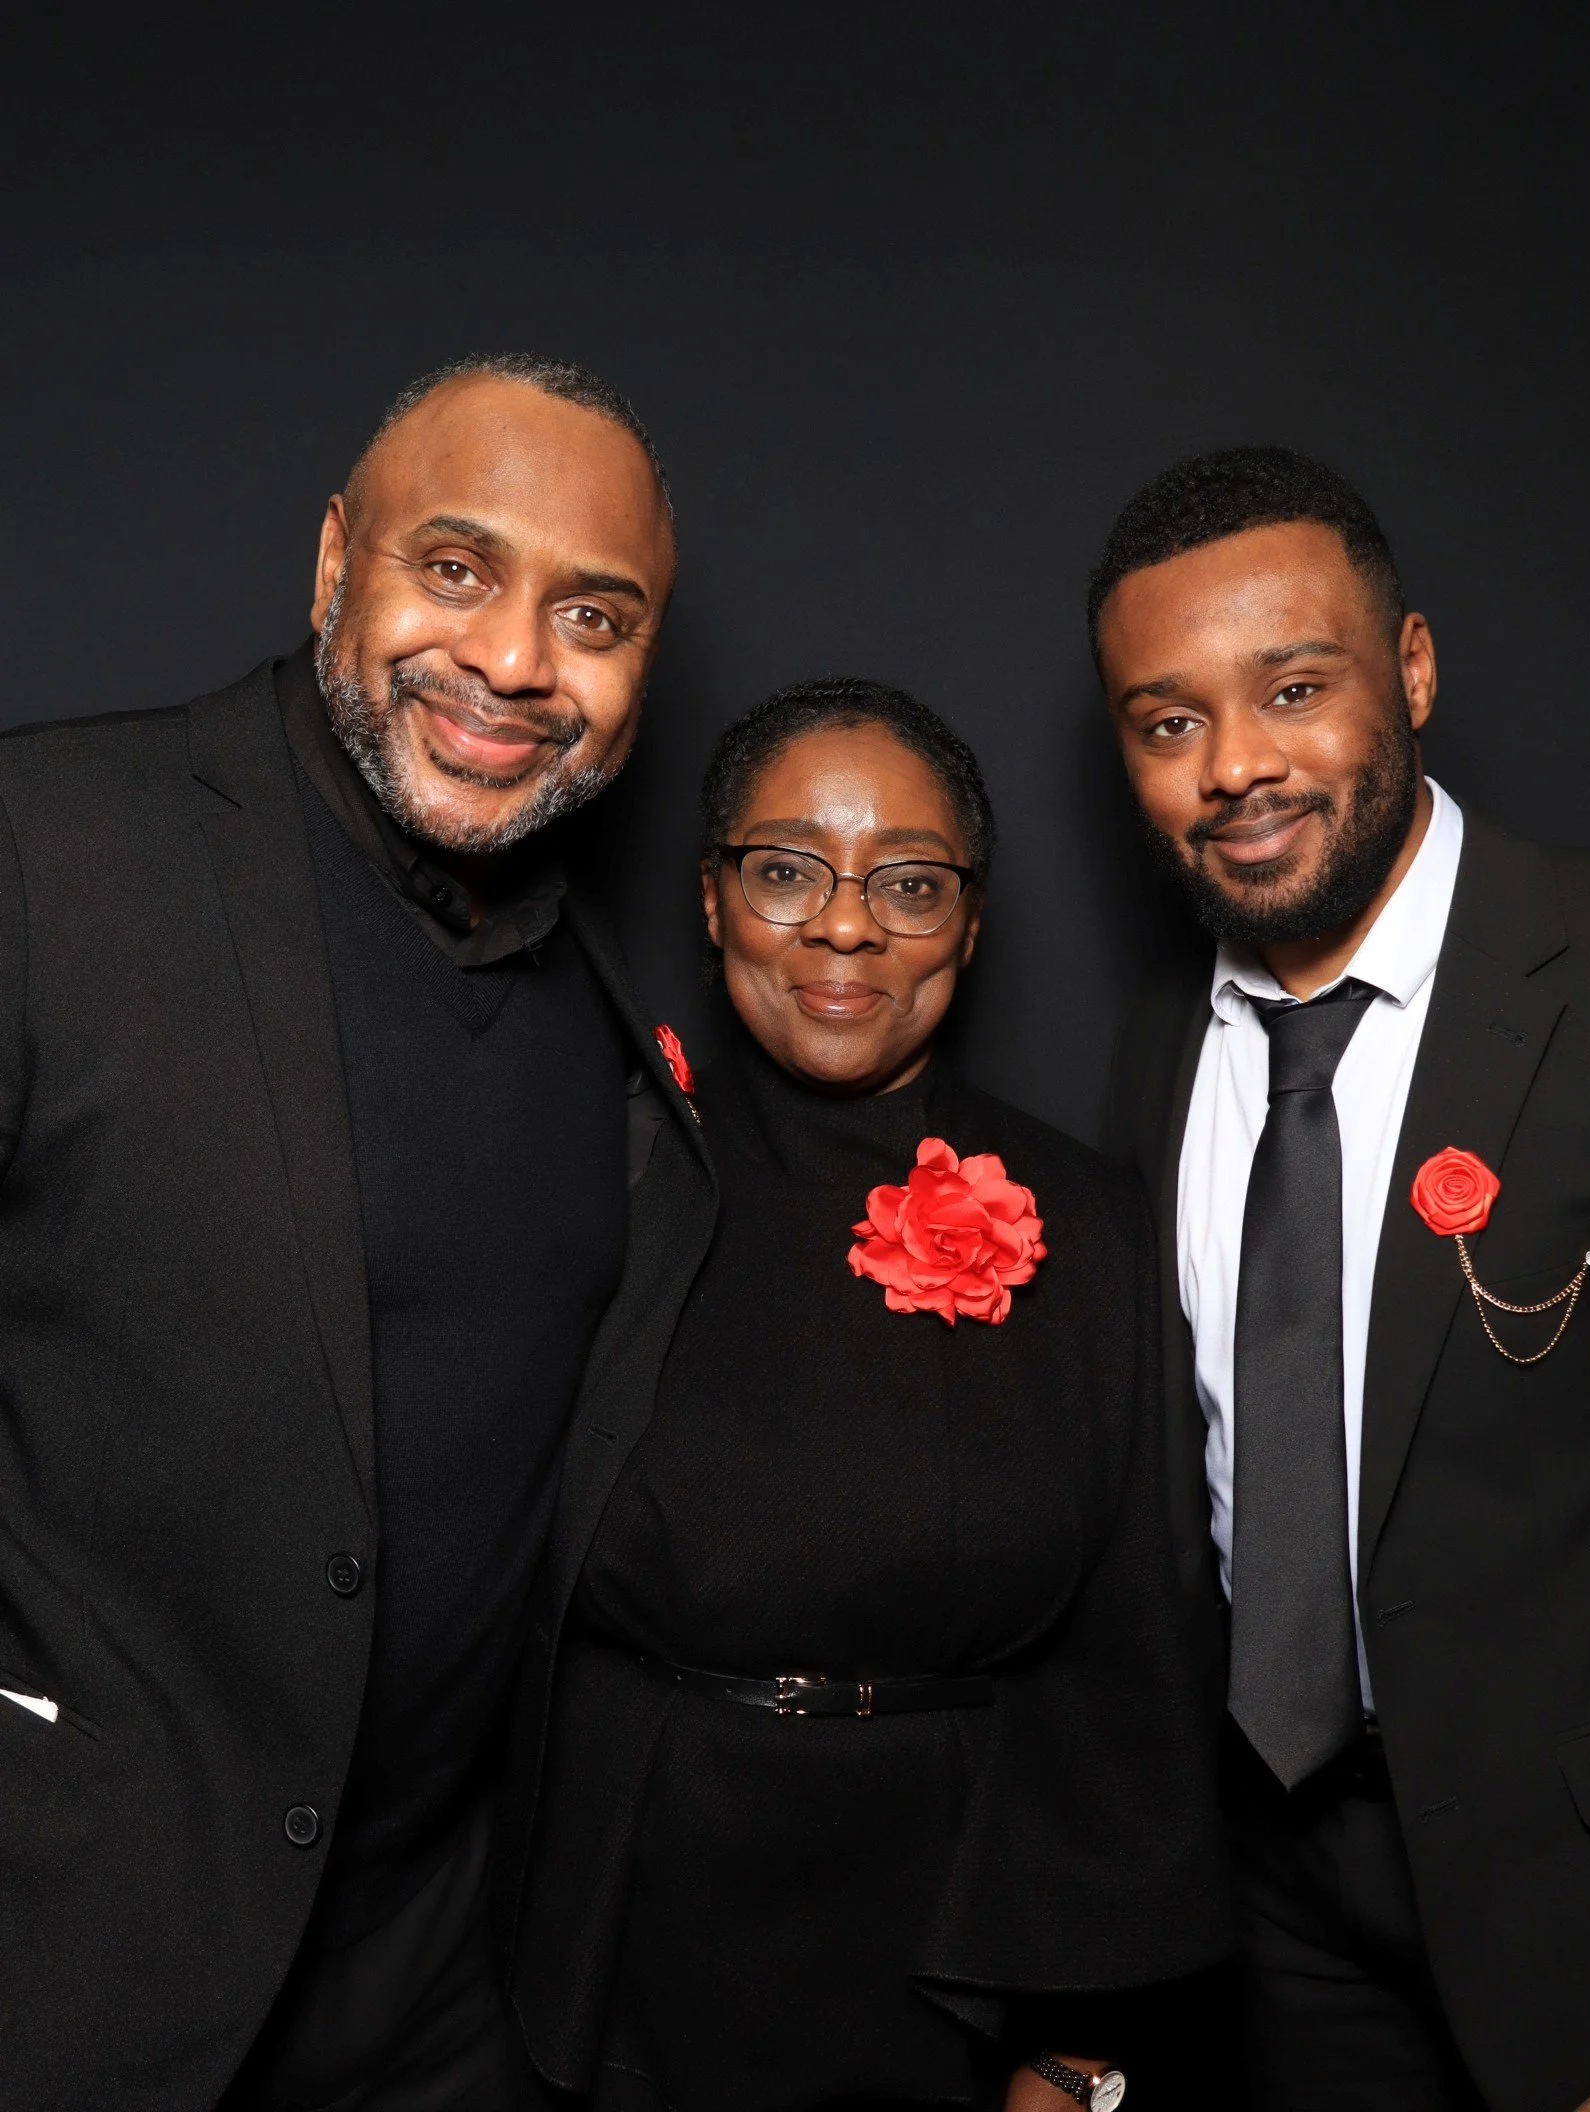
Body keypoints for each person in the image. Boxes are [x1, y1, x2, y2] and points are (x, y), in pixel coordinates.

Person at [0, 354, 688, 2110]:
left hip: (448, 2007)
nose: (517, 661)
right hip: (64, 1970)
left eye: (592, 613)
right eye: (456, 570)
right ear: (333, 564)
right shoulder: (45, 855)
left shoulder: (616, 1008)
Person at [505, 677, 1230, 2112]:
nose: (845, 926)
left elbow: (1135, 1657)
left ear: (970, 920)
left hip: (948, 1949)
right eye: (785, 871)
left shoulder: (1084, 1221)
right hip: (615, 1937)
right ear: (712, 904)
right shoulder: (593, 1178)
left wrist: (1074, 2050)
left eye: (909, 884)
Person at [1097, 447, 1590, 2112]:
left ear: (1416, 671)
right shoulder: (1158, 1046)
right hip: (1268, 1887)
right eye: (1169, 723)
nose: (1235, 766)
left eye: (1293, 688)